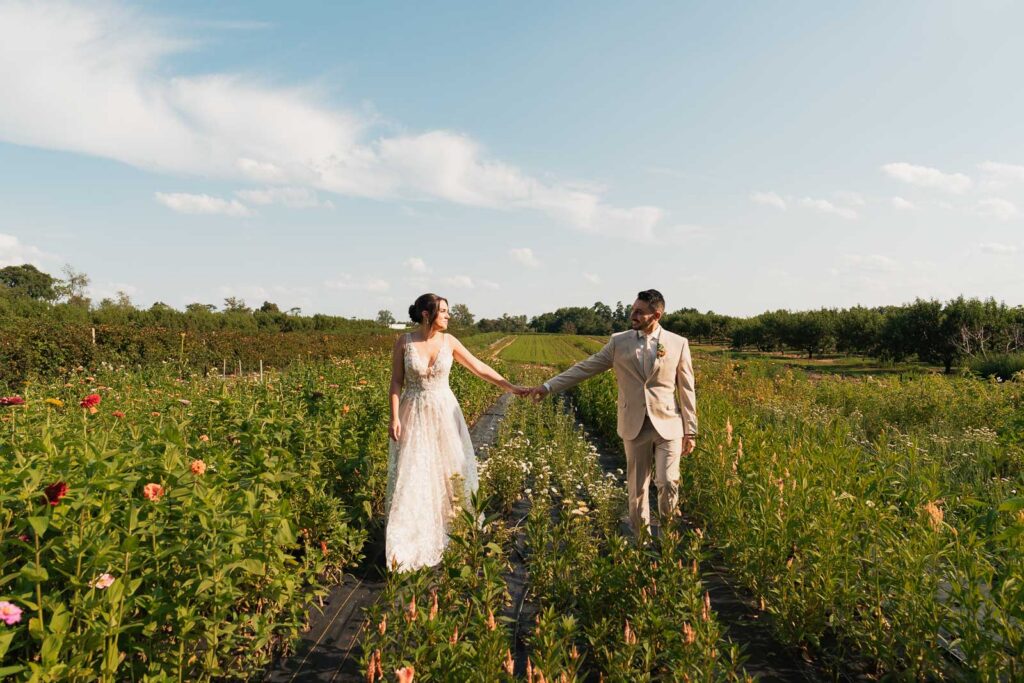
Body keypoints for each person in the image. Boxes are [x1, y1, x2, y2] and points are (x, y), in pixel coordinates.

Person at [527, 289, 697, 536]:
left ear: (656, 314)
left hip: (669, 424)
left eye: (639, 311)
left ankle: (668, 538)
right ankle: (642, 542)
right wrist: (548, 386)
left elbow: (687, 389)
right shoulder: (619, 342)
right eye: (633, 309)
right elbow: (586, 367)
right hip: (634, 424)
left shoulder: (678, 343)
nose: (633, 315)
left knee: (669, 481)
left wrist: (690, 431)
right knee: (637, 488)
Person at [386, 293, 527, 571]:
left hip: (443, 413)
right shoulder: (404, 342)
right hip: (412, 413)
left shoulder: (450, 342)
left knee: (449, 472)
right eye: (444, 311)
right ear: (427, 314)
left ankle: (453, 532)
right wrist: (394, 418)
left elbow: (479, 368)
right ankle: (407, 542)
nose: (449, 316)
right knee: (414, 472)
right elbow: (396, 382)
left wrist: (510, 387)